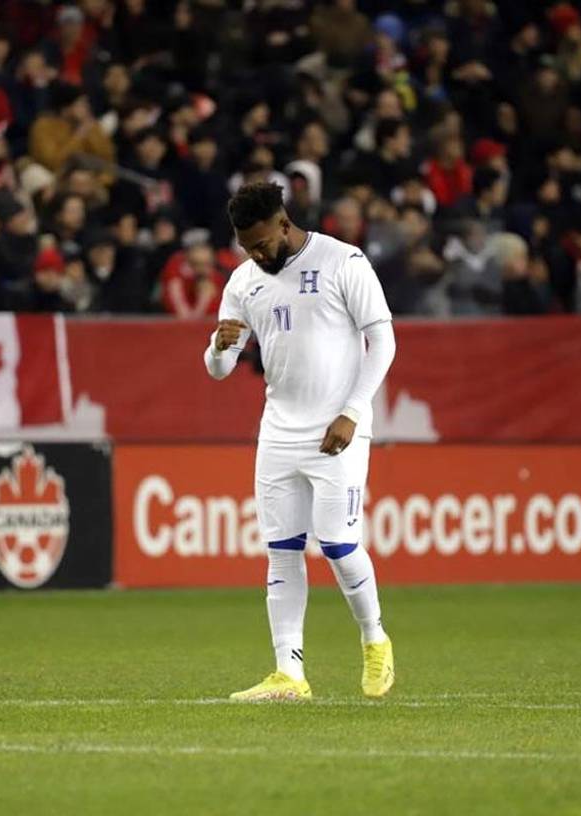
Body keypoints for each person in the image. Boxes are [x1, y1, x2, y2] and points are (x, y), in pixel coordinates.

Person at [204, 182, 395, 702]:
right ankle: (289, 674)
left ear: (284, 225)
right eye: (247, 247)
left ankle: (375, 638)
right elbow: (220, 369)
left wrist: (353, 412)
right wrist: (218, 349)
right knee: (282, 549)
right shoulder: (244, 282)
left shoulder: (343, 262)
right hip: (279, 431)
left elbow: (384, 339)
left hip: (338, 428)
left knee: (337, 543)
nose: (257, 254)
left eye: (263, 243)